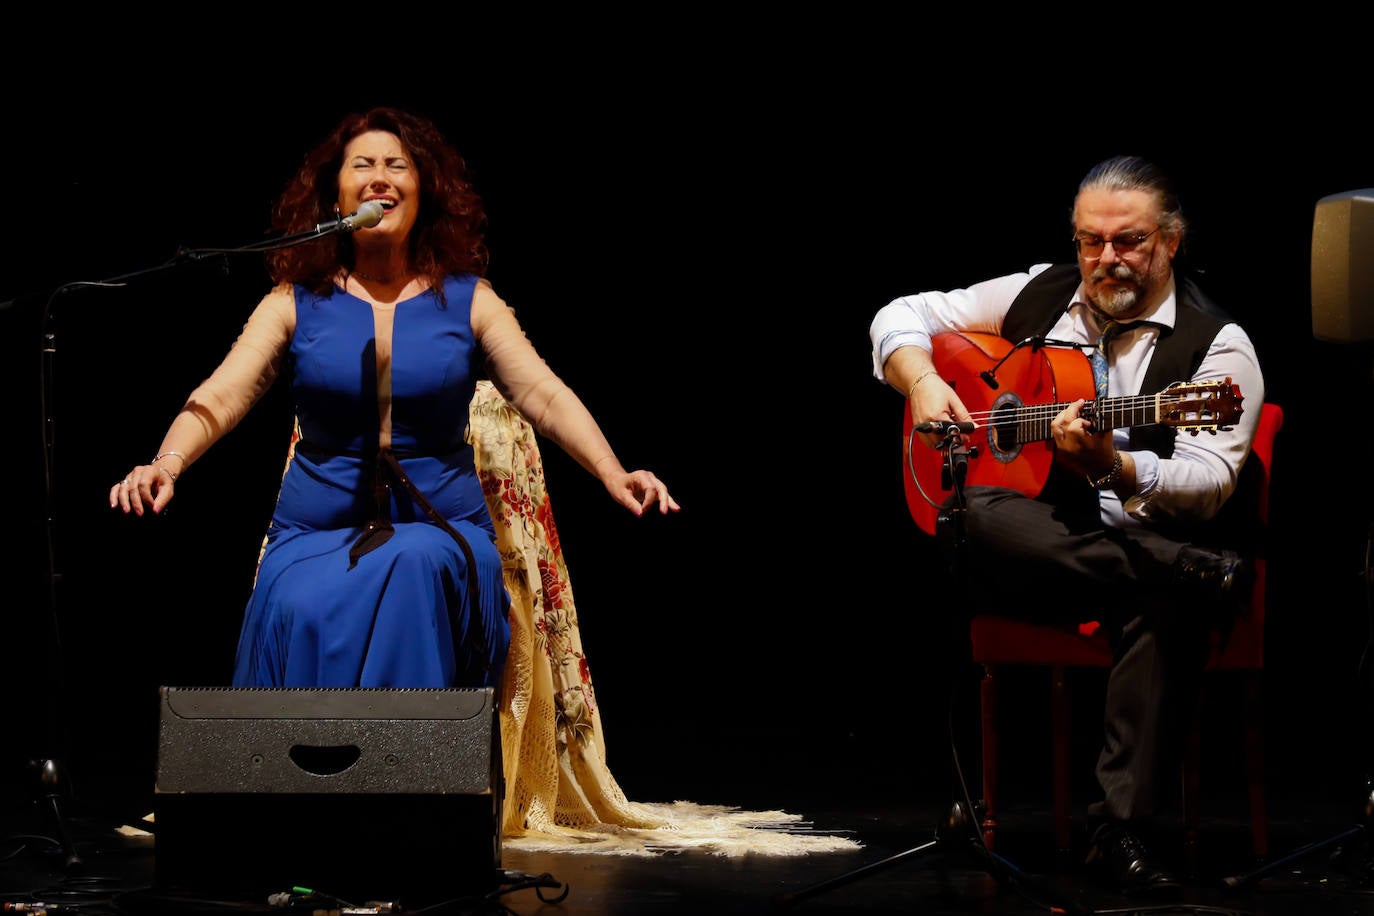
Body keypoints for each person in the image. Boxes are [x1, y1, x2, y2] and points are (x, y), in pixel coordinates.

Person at [109, 105, 679, 693]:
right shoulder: (292, 301)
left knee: (416, 564)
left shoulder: (470, 299)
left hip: (442, 527)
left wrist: (613, 470)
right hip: (314, 532)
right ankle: (314, 781)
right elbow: (224, 393)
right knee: (294, 601)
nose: (379, 176)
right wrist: (165, 463)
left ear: (422, 195)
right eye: (363, 165)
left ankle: (408, 781)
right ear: (337, 200)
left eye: (395, 166)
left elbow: (543, 393)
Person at [868, 155, 1265, 896]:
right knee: (966, 512)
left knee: (1162, 603)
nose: (1105, 259)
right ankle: (1170, 565)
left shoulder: (1218, 349)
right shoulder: (1042, 291)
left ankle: (1118, 834)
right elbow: (899, 314)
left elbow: (1210, 482)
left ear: (1171, 242)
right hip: (1036, 553)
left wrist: (1113, 468)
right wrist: (923, 381)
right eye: (1091, 242)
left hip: (1122, 558)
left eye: (1129, 241)